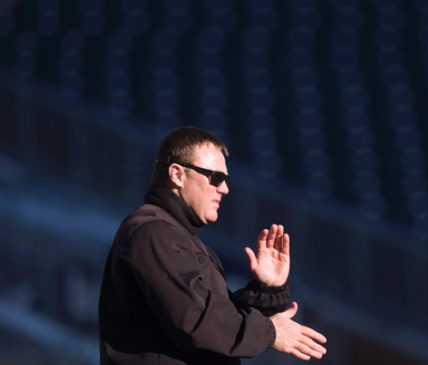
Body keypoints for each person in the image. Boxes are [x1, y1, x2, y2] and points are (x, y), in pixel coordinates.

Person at [98, 126, 327, 364]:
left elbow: (219, 316)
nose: (224, 189)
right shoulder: (153, 232)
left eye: (226, 179)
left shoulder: (183, 239)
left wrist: (267, 289)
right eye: (215, 177)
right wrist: (270, 331)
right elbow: (197, 321)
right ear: (177, 174)